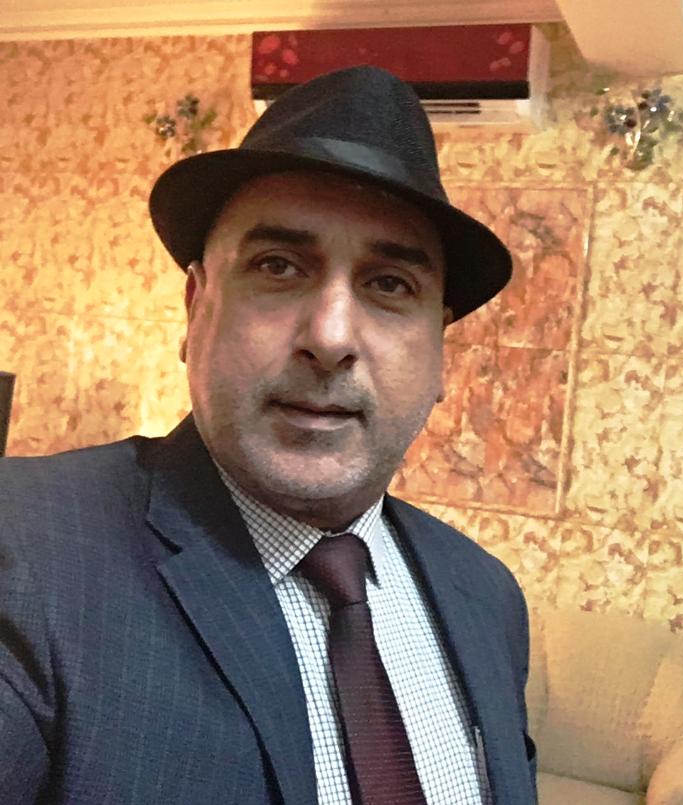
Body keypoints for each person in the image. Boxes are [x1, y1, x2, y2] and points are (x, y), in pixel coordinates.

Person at [0, 66, 536, 804]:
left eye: (390, 284)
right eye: (278, 266)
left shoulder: (488, 597)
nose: (331, 337)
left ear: (440, 353)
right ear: (196, 308)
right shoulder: (26, 546)